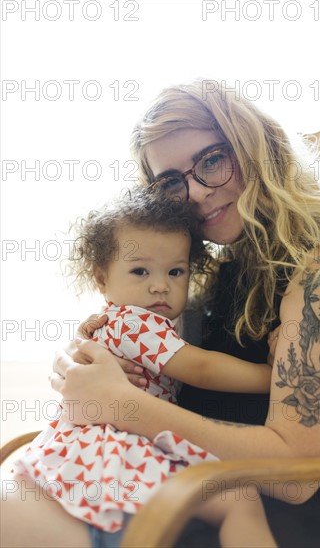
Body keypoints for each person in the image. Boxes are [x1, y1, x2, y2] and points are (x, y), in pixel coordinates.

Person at [1, 79, 320, 548]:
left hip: (264, 523)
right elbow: (158, 359)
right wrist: (83, 358)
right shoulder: (217, 275)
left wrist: (124, 405)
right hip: (182, 489)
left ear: (258, 150)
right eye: (170, 181)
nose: (193, 191)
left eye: (211, 160)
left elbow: (296, 477)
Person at [6, 188, 274, 548]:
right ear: (102, 279)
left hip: (103, 443)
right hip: (115, 446)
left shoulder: (116, 320)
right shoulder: (137, 324)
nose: (160, 285)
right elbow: (203, 369)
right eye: (140, 271)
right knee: (240, 501)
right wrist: (273, 377)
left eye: (176, 271)